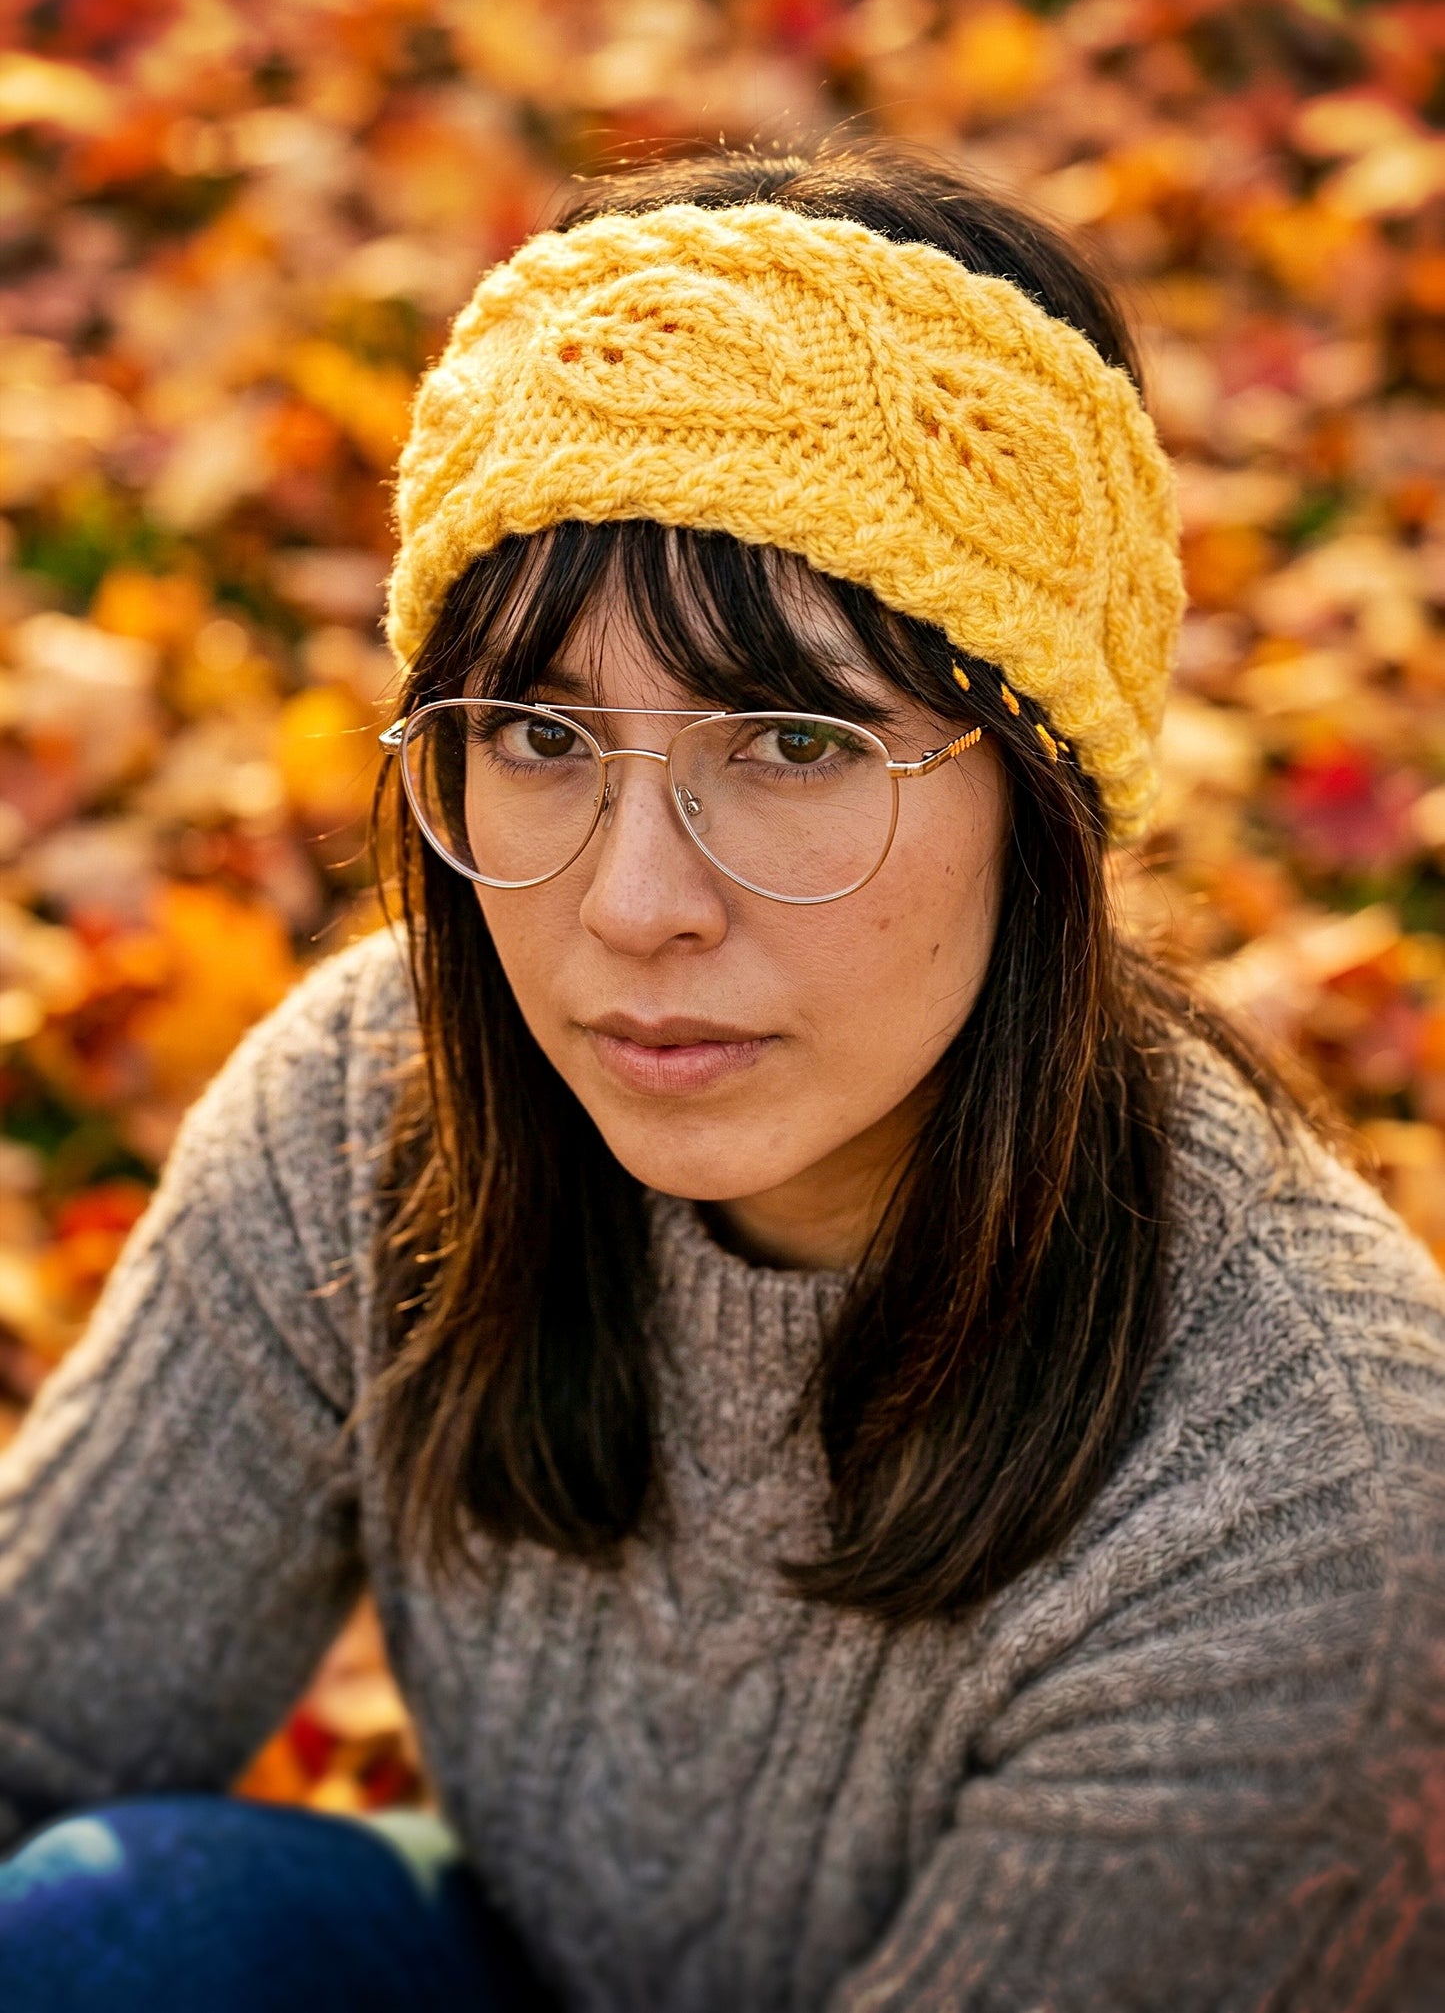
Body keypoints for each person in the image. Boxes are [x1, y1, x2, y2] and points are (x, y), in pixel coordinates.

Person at [1, 141, 1442, 2013]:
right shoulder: (377, 1106)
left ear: (1045, 795)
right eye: (537, 729)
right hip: (528, 1964)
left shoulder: (1297, 1496)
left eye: (790, 737)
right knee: (127, 1926)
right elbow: (35, 1726)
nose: (632, 901)